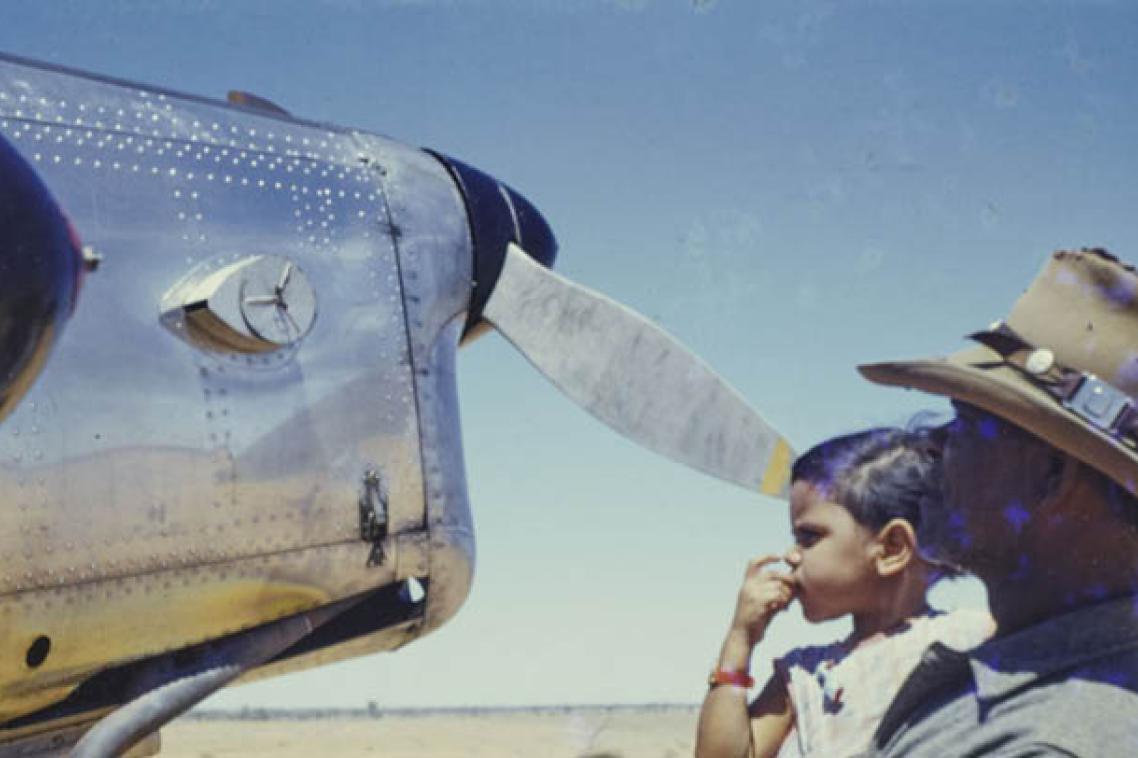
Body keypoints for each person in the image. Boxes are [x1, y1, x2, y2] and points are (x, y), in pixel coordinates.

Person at [857, 248, 1138, 756]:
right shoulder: (1024, 686)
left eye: (964, 423)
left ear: (1052, 475)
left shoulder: (1049, 739)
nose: (933, 443)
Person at [695, 427, 991, 758]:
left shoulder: (971, 639)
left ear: (892, 548)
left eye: (809, 537)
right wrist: (740, 641)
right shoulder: (803, 675)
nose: (792, 555)